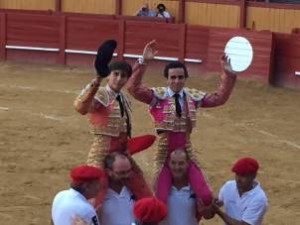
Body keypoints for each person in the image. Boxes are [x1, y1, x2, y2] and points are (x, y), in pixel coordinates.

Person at [127, 40, 237, 207]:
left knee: (206, 197)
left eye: (180, 77)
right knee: (159, 200)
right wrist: (144, 62)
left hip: (187, 152)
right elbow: (133, 88)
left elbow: (219, 98)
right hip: (164, 155)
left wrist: (228, 74)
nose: (177, 81)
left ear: (185, 78)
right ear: (167, 79)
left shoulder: (192, 96)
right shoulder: (158, 96)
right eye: (173, 77)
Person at [74, 40, 152, 206]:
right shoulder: (101, 94)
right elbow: (81, 107)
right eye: (115, 74)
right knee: (96, 191)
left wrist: (142, 62)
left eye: (123, 75)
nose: (119, 78)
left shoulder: (123, 98)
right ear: (108, 75)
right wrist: (97, 79)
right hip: (101, 152)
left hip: (122, 152)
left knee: (141, 187)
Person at [159, 149, 214, 225]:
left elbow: (208, 216)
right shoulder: (160, 189)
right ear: (169, 164)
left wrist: (205, 212)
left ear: (188, 164)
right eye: (173, 163)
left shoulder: (195, 190)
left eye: (181, 163)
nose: (177, 167)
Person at [212, 157, 268, 225]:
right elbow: (212, 208)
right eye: (237, 174)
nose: (238, 179)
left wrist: (218, 211)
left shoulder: (259, 198)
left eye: (243, 175)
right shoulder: (228, 186)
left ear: (253, 175)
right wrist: (209, 206)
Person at [99, 152, 138, 225]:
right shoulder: (98, 195)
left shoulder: (135, 190)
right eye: (121, 173)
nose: (126, 176)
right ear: (109, 171)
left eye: (129, 171)